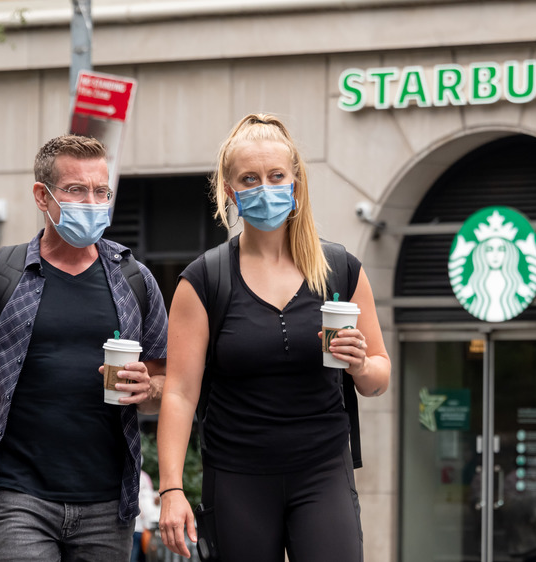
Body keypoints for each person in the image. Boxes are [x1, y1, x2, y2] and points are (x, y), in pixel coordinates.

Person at [0, 134, 169, 561]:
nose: (92, 202)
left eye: (100, 191)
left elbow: (167, 385)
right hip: (20, 495)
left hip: (108, 500)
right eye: (76, 189)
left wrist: (149, 390)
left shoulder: (135, 280)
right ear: (43, 195)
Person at [157, 113, 391, 561]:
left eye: (276, 176)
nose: (265, 187)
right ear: (230, 191)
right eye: (250, 178)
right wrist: (171, 487)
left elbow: (379, 377)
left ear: (296, 184)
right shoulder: (204, 280)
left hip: (322, 472)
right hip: (236, 476)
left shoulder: (340, 270)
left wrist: (361, 364)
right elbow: (180, 393)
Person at [131, 470, 159, 562]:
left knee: (142, 556)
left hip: (144, 529)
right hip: (136, 528)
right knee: (134, 556)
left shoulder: (144, 477)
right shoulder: (140, 476)